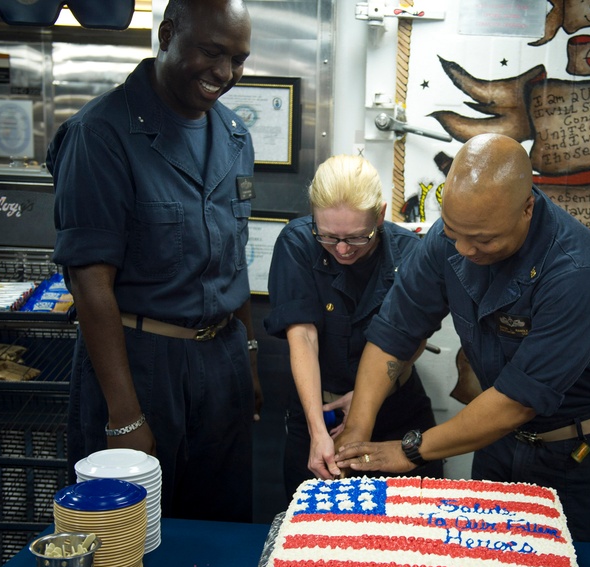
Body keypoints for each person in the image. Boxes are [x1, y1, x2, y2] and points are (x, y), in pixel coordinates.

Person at [334, 133, 590, 544]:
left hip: (586, 458)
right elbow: (395, 334)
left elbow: (518, 401)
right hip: (499, 444)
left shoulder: (580, 271)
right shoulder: (451, 237)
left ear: (527, 208)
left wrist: (409, 449)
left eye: (484, 240)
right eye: (453, 232)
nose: (464, 249)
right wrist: (358, 430)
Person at [47, 0, 262, 522]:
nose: (224, 73)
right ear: (167, 35)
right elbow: (90, 283)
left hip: (222, 359)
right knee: (128, 532)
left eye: (238, 59)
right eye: (212, 52)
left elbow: (234, 260)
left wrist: (249, 356)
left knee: (222, 526)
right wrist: (124, 415)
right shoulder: (100, 134)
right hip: (141, 364)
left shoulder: (234, 135)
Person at [265, 155, 444, 501]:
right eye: (329, 237)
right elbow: (302, 336)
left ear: (379, 215)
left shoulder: (411, 254)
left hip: (397, 410)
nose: (343, 249)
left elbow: (414, 336)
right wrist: (318, 431)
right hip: (321, 411)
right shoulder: (297, 244)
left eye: (358, 238)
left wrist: (367, 398)